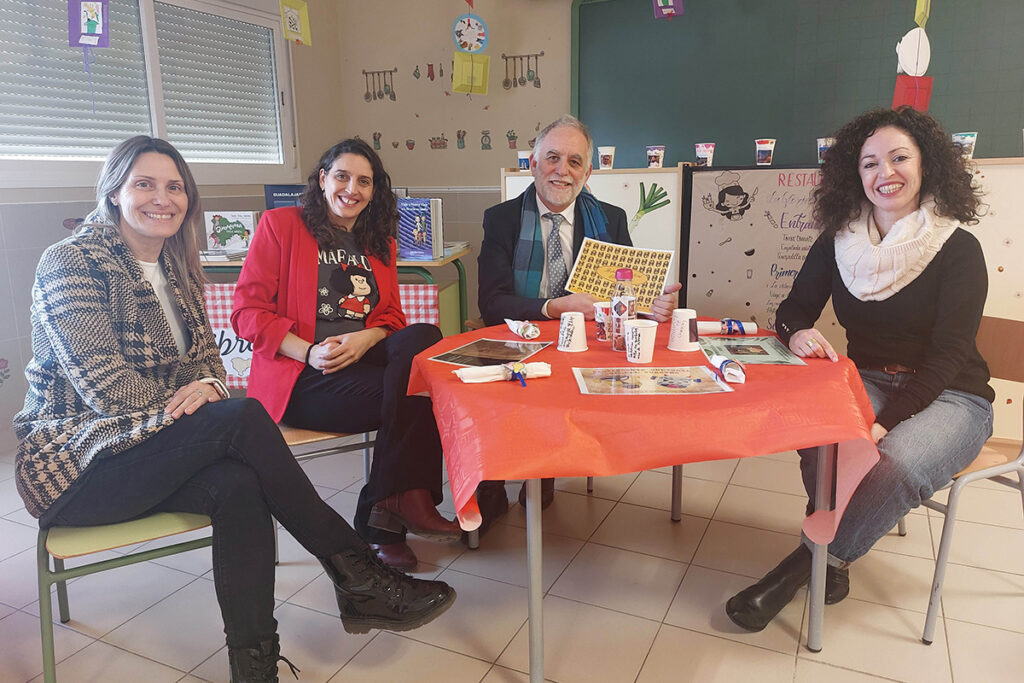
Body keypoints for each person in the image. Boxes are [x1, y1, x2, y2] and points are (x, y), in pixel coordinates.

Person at [12, 136, 455, 682]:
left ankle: (256, 667)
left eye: (175, 187)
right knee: (244, 418)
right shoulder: (71, 262)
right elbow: (107, 390)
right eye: (144, 184)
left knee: (241, 487)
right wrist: (202, 397)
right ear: (113, 192)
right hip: (78, 466)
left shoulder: (174, 267)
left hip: (149, 451)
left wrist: (206, 388)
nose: (163, 198)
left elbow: (211, 366)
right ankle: (357, 572)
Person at [725, 106, 994, 632]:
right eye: (869, 163)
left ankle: (808, 563)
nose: (884, 173)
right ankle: (834, 554)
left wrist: (885, 422)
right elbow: (792, 311)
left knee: (895, 463)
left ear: (927, 164)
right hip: (866, 378)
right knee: (820, 437)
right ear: (855, 174)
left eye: (899, 158)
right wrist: (797, 333)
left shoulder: (958, 247)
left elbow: (950, 354)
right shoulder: (839, 240)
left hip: (953, 393)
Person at [232, 138, 460, 572]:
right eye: (342, 176)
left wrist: (364, 339)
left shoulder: (379, 242)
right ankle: (389, 515)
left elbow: (392, 316)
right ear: (322, 179)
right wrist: (308, 352)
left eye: (364, 181)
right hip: (303, 376)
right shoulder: (280, 226)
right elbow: (246, 313)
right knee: (415, 392)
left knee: (425, 337)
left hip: (362, 361)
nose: (351, 189)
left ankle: (388, 507)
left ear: (374, 191)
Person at [476, 115, 682, 523]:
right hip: (520, 333)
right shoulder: (501, 219)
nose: (562, 170)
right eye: (552, 158)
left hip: (586, 344)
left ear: (587, 173)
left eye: (574, 162)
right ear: (532, 164)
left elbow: (626, 296)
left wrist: (651, 308)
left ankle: (546, 467)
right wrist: (553, 308)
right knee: (498, 389)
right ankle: (492, 482)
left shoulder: (611, 218)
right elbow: (491, 303)